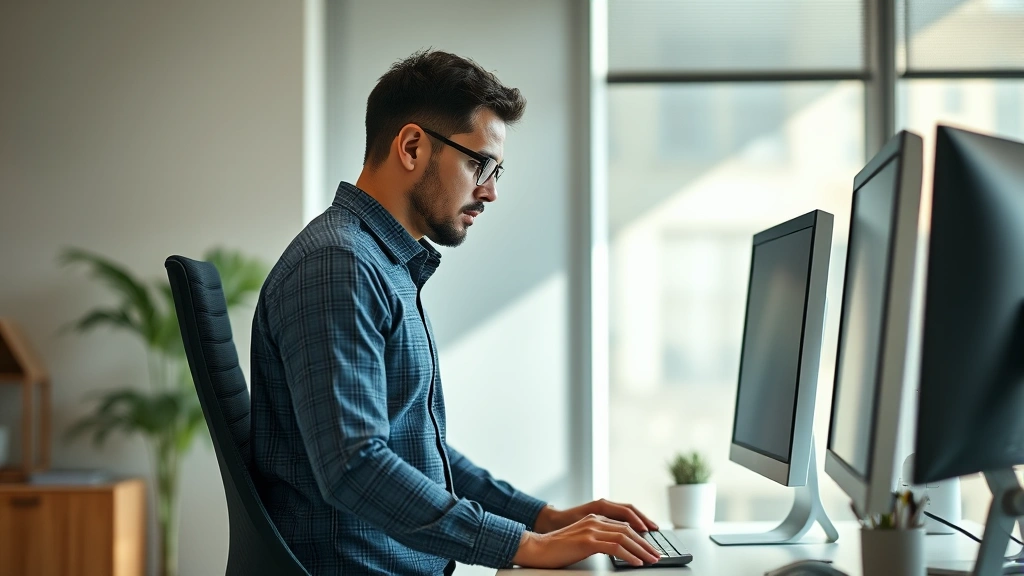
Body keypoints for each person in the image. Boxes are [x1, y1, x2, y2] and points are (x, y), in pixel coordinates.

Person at [250, 49, 662, 575]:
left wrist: (541, 519)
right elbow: (355, 468)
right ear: (413, 146)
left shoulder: (379, 263)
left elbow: (417, 451)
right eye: (479, 163)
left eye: (496, 169)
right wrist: (522, 546)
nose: (489, 190)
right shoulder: (339, 265)